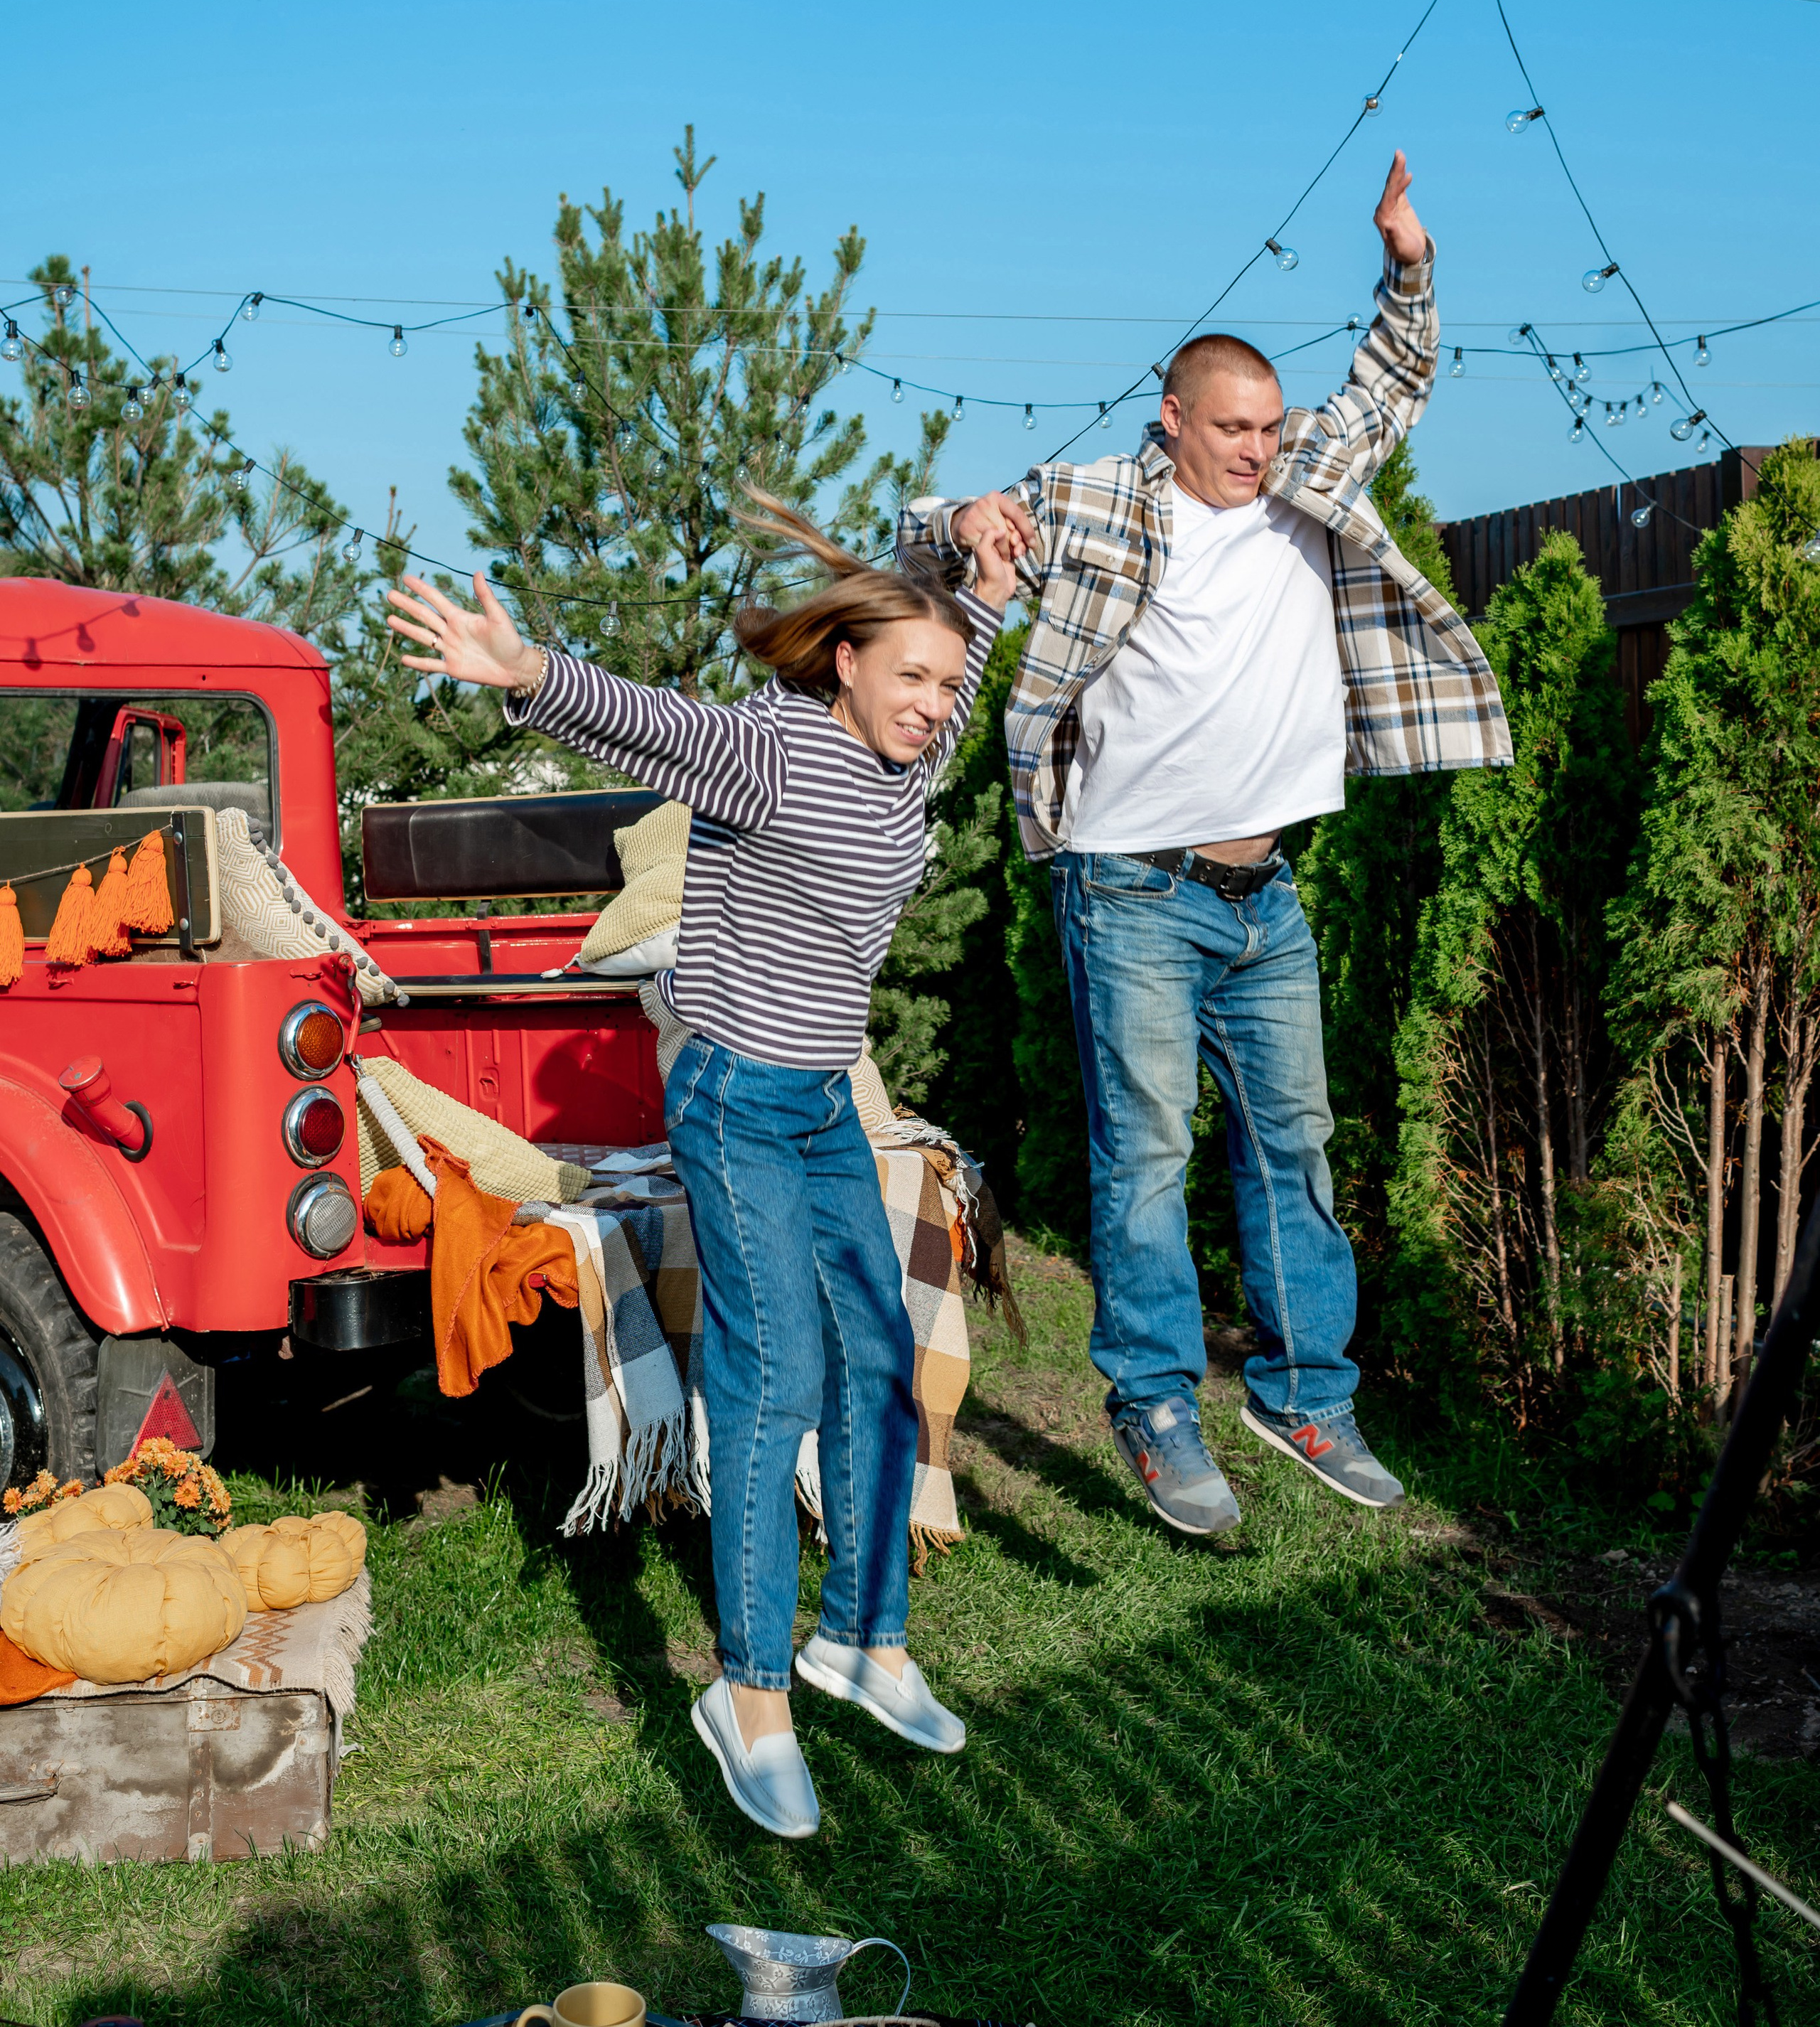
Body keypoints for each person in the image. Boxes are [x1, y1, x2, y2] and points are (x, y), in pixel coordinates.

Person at [898, 153, 1511, 1536]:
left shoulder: (1307, 482)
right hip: (1129, 891)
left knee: (1293, 1145)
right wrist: (961, 520)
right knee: (1147, 1152)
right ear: (1172, 420)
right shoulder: (1106, 501)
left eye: (1266, 425)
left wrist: (1405, 260)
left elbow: (1390, 380)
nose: (1253, 446)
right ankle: (1155, 1406)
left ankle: (1303, 1393)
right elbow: (928, 533)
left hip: (1263, 893)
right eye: (1228, 425)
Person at [386, 495, 1016, 1839]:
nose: (931, 702)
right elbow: (652, 724)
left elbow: (951, 662)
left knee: (882, 1357)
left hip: (827, 1106)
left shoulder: (912, 751)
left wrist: (974, 582)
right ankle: (748, 1696)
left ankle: (860, 1642)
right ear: (841, 661)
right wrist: (528, 673)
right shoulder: (772, 754)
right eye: (907, 674)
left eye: (944, 681)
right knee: (775, 1369)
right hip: (732, 1100)